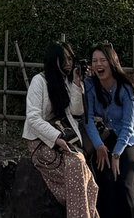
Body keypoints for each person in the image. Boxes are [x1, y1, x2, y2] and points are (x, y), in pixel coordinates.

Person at [23, 41, 98, 218]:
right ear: (53, 59)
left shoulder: (66, 81)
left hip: (65, 138)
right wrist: (56, 138)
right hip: (40, 142)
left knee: (91, 184)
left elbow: (76, 111)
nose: (68, 63)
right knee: (78, 168)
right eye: (63, 59)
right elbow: (33, 117)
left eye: (70, 58)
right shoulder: (39, 81)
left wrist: (77, 84)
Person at [82, 43, 134, 218]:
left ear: (112, 62)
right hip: (102, 140)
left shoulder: (126, 88)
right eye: (94, 61)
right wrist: (99, 146)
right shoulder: (90, 86)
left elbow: (129, 126)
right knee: (104, 184)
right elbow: (88, 119)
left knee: (124, 184)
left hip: (124, 142)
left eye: (103, 60)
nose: (98, 64)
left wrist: (116, 154)